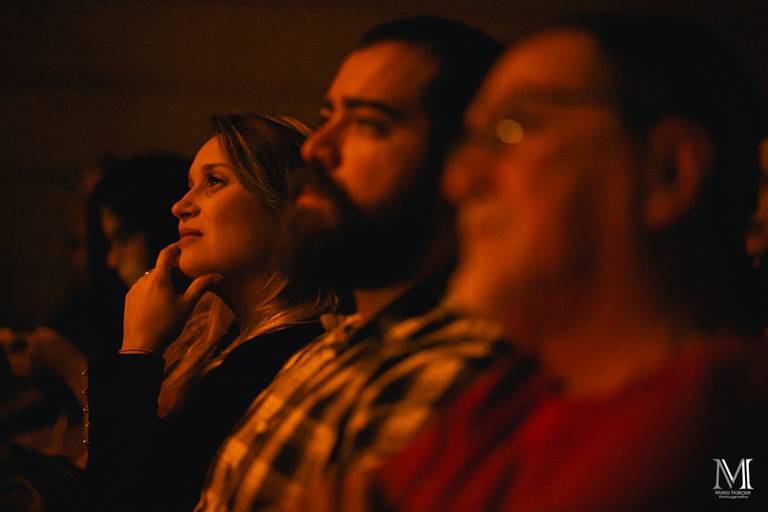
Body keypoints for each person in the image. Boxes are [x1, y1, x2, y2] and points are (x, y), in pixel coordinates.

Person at [369, 11, 768, 511]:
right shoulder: (506, 394)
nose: (459, 183)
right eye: (471, 141)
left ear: (668, 171)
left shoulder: (730, 442)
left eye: (512, 128)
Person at [196, 16, 517, 512]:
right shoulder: (335, 344)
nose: (317, 147)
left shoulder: (455, 374)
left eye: (369, 125)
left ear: (462, 166)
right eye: (328, 116)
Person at [87, 113, 335, 511]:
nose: (180, 206)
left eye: (214, 182)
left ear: (284, 205)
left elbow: (124, 498)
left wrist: (138, 350)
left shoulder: (282, 360)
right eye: (189, 186)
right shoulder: (225, 344)